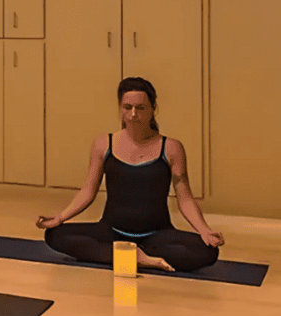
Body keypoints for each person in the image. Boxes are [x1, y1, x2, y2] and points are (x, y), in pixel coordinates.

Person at [36, 76, 224, 273]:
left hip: (156, 236)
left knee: (207, 252)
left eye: (141, 108)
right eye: (127, 107)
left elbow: (184, 198)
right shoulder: (103, 144)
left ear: (153, 109)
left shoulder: (171, 148)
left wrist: (204, 230)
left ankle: (126, 255)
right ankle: (138, 258)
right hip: (111, 231)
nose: (133, 114)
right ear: (121, 108)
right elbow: (88, 190)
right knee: (54, 235)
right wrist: (59, 218)